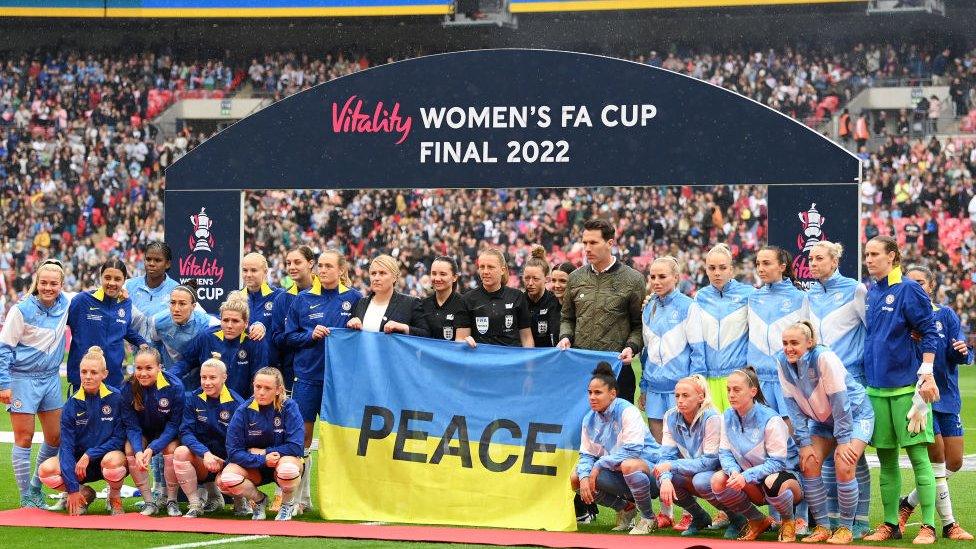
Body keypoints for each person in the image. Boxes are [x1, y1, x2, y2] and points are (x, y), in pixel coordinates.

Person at [861, 236, 941, 544]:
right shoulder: (872, 292)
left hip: (908, 388)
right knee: (886, 461)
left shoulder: (908, 288)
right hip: (876, 390)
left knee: (919, 457)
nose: (869, 259)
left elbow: (930, 330)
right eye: (867, 254)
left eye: (875, 254)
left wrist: (927, 373)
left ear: (893, 256)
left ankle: (929, 525)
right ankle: (891, 524)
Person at [775, 321, 874, 544]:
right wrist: (804, 443)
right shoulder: (782, 362)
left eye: (794, 343)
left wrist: (845, 440)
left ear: (809, 343)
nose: (789, 348)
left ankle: (845, 529)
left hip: (856, 415)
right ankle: (822, 527)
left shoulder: (823, 358)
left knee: (844, 462)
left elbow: (840, 402)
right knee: (808, 462)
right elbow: (792, 406)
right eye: (785, 343)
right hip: (821, 420)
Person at [897, 265, 973, 541]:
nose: (915, 286)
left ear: (930, 286)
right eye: (910, 282)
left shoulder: (947, 315)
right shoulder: (904, 318)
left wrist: (963, 352)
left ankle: (909, 503)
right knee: (937, 459)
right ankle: (948, 524)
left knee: (954, 462)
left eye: (920, 282)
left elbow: (960, 352)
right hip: (920, 397)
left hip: (948, 396)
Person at [283, 249, 361, 514]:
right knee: (302, 438)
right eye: (322, 266)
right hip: (307, 378)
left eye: (330, 266)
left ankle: (344, 498)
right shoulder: (302, 300)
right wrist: (309, 335)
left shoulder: (355, 298)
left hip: (340, 382)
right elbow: (287, 337)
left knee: (340, 438)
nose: (324, 270)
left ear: (341, 270)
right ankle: (299, 499)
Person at [807, 241, 872, 538]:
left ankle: (859, 521)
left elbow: (872, 331)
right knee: (830, 458)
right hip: (821, 386)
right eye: (811, 258)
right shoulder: (809, 295)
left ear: (835, 261)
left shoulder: (855, 289)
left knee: (850, 456)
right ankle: (834, 521)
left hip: (852, 383)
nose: (813, 263)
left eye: (820, 258)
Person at [0, 260, 71, 507]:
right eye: (43, 283)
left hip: (50, 378)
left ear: (62, 285)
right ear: (36, 283)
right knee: (24, 437)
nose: (48, 288)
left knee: (55, 437)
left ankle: (34, 487)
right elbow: (4, 348)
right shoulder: (21, 310)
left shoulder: (66, 303)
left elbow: (94, 295)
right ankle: (25, 498)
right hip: (22, 378)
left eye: (53, 283)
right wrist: (4, 384)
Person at [710, 367, 803, 542]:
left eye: (737, 390)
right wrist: (734, 472)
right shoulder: (727, 416)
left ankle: (788, 521)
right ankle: (757, 520)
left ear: (753, 391)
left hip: (787, 480)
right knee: (718, 480)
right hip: (749, 479)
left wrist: (745, 476)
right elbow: (725, 452)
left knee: (771, 482)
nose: (731, 394)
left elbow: (777, 463)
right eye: (728, 389)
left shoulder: (771, 419)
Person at [558, 219, 645, 402]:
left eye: (593, 243)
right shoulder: (575, 278)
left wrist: (631, 347)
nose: (587, 248)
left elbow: (639, 326)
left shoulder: (633, 280)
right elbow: (567, 318)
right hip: (581, 370)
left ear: (610, 243)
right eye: (585, 243)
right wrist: (565, 336)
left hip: (618, 371)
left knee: (618, 428)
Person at [573, 361, 662, 535]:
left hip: (653, 473)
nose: (592, 397)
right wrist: (584, 476)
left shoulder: (628, 411)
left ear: (612, 393)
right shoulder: (589, 419)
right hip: (620, 473)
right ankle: (626, 508)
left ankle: (648, 518)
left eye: (598, 392)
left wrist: (599, 465)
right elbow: (586, 454)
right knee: (576, 477)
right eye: (590, 392)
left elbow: (632, 451)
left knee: (629, 465)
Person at [38, 346, 127, 516]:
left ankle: (114, 497)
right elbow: (66, 448)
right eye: (83, 371)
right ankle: (84, 492)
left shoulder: (116, 398)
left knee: (113, 463)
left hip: (108, 459)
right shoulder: (71, 405)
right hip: (80, 467)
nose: (87, 377)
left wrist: (90, 454)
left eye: (93, 372)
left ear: (104, 374)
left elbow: (119, 438)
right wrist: (72, 489)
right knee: (46, 470)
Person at [217, 367, 304, 521]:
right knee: (227, 478)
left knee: (288, 469)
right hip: (254, 467)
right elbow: (233, 452)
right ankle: (259, 500)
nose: (261, 392)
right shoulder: (243, 411)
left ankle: (287, 505)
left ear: (279, 390)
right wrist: (262, 460)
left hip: (281, 463)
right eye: (258, 387)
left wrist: (264, 452)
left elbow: (296, 446)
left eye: (267, 388)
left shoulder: (289, 407)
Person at [652, 375, 732, 538]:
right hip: (693, 468)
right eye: (677, 396)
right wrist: (666, 477)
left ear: (700, 397)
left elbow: (710, 461)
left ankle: (737, 518)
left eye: (685, 395)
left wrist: (671, 466)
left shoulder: (712, 417)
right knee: (663, 479)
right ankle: (700, 516)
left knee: (701, 480)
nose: (680, 400)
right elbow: (666, 455)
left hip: (719, 471)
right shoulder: (671, 416)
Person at [174, 352, 244, 518]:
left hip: (230, 461)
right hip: (204, 459)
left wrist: (227, 462)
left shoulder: (237, 403)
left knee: (227, 478)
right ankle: (195, 504)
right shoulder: (192, 399)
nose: (207, 382)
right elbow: (185, 432)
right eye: (203, 377)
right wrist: (205, 453)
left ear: (224, 377)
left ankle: (241, 500)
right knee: (180, 452)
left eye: (212, 378)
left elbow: (242, 442)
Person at [639, 256, 701, 445]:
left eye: (662, 277)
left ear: (676, 277)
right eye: (652, 277)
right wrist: (644, 387)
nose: (656, 282)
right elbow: (645, 353)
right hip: (654, 390)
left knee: (684, 448)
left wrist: (694, 389)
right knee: (659, 449)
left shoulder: (688, 307)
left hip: (680, 391)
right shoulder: (648, 307)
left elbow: (698, 352)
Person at [688, 243, 754, 413]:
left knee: (739, 433)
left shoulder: (748, 294)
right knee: (713, 434)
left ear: (731, 269)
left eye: (722, 268)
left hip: (737, 378)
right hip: (709, 379)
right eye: (712, 268)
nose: (717, 272)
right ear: (706, 270)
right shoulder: (700, 297)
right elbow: (695, 340)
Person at [122, 346, 185, 516]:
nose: (143, 373)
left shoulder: (175, 386)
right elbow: (132, 426)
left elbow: (174, 425)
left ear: (159, 367)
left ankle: (171, 500)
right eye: (139, 368)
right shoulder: (128, 387)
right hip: (143, 432)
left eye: (149, 368)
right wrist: (138, 451)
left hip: (168, 432)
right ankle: (149, 502)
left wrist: (152, 448)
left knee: (171, 450)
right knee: (130, 450)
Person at [66, 258, 149, 391]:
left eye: (117, 279)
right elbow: (61, 321)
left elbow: (124, 328)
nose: (112, 283)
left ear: (124, 280)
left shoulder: (125, 303)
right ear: (101, 277)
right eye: (107, 278)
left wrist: (141, 342)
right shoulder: (82, 300)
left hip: (113, 378)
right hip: (84, 378)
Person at [747, 246, 808, 421]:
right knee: (762, 437)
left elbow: (808, 340)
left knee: (791, 438)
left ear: (782, 266)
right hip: (758, 378)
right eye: (758, 264)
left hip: (787, 377)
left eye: (766, 263)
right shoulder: (753, 298)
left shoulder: (800, 298)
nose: (761, 269)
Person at [174, 291, 268, 397]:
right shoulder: (207, 336)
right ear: (220, 320)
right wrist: (167, 377)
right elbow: (186, 361)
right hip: (208, 403)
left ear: (246, 323)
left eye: (235, 321)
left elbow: (259, 379)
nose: (229, 325)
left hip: (241, 404)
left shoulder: (255, 341)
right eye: (225, 320)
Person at [455, 248, 533, 347]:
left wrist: (528, 361)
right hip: (480, 360)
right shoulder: (467, 299)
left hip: (511, 361)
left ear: (502, 270)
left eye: (490, 267)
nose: (485, 271)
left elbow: (527, 338)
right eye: (482, 267)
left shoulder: (517, 296)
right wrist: (464, 342)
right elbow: (460, 339)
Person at [269, 246, 318, 393]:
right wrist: (299, 337)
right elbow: (277, 337)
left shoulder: (328, 293)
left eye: (297, 262)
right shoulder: (282, 299)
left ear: (310, 263)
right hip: (294, 372)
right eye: (288, 263)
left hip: (323, 370)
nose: (292, 267)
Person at [347, 254, 429, 337]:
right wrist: (352, 324)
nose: (376, 278)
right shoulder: (361, 303)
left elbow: (426, 334)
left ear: (394, 277)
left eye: (382, 273)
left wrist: (403, 327)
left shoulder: (410, 303)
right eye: (373, 273)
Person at [147, 284, 219, 372]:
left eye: (182, 304)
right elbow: (155, 347)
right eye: (173, 303)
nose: (176, 309)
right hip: (171, 373)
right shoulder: (157, 321)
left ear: (193, 306)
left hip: (201, 375)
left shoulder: (210, 324)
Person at [126, 241, 179, 340]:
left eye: (157, 260)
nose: (151, 264)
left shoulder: (177, 290)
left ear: (167, 264)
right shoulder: (128, 286)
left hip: (163, 353)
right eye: (148, 259)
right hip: (132, 353)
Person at [241, 252, 283, 369]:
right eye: (245, 270)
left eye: (253, 270)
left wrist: (264, 327)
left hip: (272, 366)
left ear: (265, 272)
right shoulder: (236, 297)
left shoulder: (279, 296)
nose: (248, 275)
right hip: (242, 365)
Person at [418, 256, 465, 342]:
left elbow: (460, 345)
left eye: (443, 274)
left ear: (455, 277)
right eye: (434, 273)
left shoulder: (463, 304)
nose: (437, 278)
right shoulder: (422, 304)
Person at [522, 245, 560, 347]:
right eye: (527, 278)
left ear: (546, 279)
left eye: (535, 279)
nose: (530, 283)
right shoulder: (519, 302)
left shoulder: (554, 301)